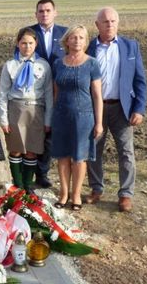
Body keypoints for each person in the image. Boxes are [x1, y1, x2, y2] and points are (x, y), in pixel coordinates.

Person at [86, 7, 147, 212]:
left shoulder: (131, 47)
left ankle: (125, 194)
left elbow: (140, 81)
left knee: (127, 152)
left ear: (118, 23)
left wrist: (139, 108)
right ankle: (96, 189)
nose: (109, 24)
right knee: (94, 151)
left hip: (122, 109)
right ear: (97, 25)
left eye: (113, 21)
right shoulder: (88, 48)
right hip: (96, 109)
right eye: (105, 21)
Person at [51, 25, 103, 211]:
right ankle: (63, 194)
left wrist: (99, 122)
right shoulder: (58, 63)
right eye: (74, 37)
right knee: (63, 157)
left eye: (81, 38)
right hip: (61, 116)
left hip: (84, 118)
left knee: (79, 158)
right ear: (67, 41)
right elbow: (55, 93)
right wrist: (52, 117)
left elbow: (97, 95)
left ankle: (76, 195)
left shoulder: (92, 63)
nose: (77, 41)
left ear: (86, 41)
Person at [0, 27, 53, 193]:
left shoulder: (43, 66)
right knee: (15, 149)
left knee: (31, 150)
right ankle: (18, 183)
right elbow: (2, 94)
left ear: (36, 44)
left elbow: (49, 94)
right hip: (16, 108)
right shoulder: (10, 66)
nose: (27, 47)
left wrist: (48, 120)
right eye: (23, 43)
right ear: (17, 43)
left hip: (36, 109)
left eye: (30, 43)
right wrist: (3, 119)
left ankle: (28, 184)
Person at [28, 0, 68, 189]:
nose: (44, 14)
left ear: (55, 12)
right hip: (34, 94)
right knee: (34, 133)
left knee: (50, 134)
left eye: (48, 10)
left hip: (59, 93)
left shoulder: (66, 33)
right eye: (41, 11)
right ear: (36, 14)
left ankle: (43, 173)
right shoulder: (28, 33)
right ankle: (30, 171)